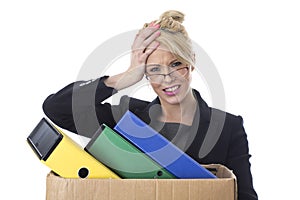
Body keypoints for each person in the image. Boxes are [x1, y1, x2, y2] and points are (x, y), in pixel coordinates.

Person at [42, 10, 258, 200]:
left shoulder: (228, 127)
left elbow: (245, 196)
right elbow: (56, 109)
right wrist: (123, 78)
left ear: (191, 61)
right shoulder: (126, 119)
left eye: (176, 64)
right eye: (154, 69)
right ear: (144, 73)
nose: (167, 78)